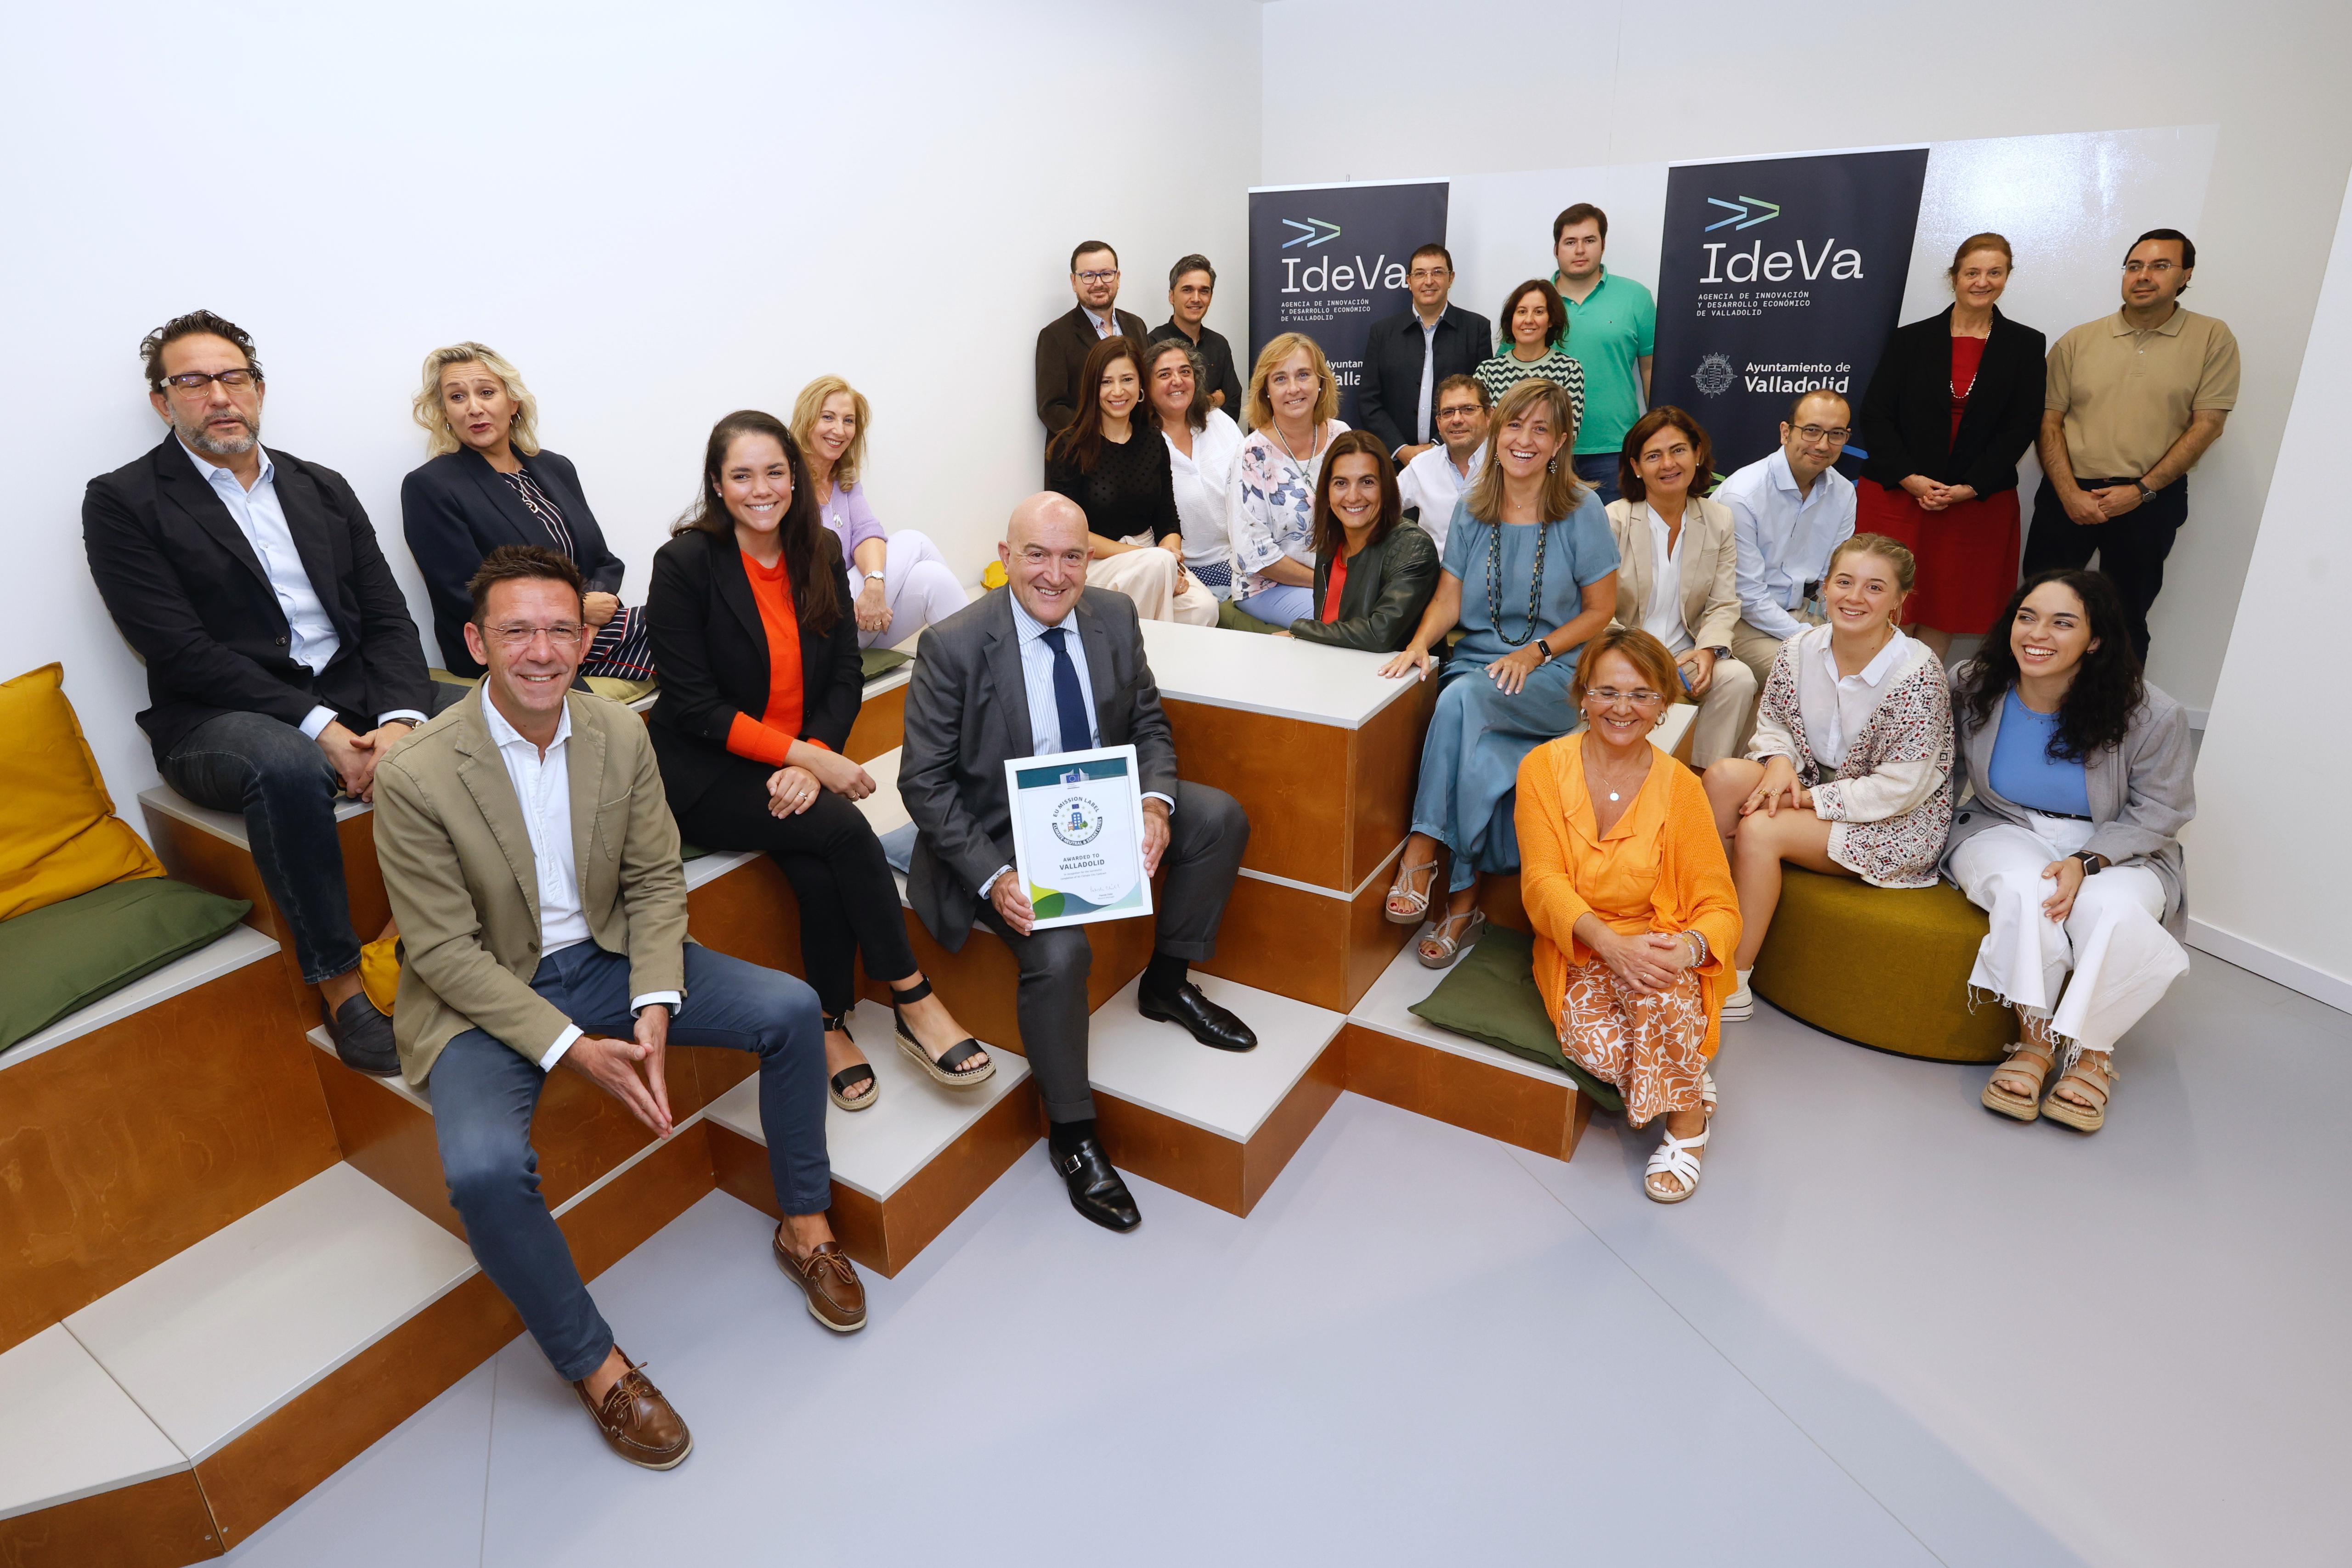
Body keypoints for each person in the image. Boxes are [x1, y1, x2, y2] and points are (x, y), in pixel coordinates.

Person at [373, 544, 849, 1472]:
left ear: (585, 640)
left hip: (608, 956)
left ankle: (806, 1225)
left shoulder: (620, 732)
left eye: (562, 629)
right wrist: (572, 1047)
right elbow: (442, 952)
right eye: (517, 631)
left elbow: (655, 879)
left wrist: (655, 996)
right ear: (475, 642)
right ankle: (596, 1365)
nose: (543, 650)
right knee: (482, 1171)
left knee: (792, 1010)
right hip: (484, 993)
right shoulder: (416, 772)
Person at [83, 310, 458, 1077]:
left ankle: (451, 934)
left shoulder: (320, 485)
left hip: (356, 693)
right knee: (288, 764)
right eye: (194, 382)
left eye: (234, 377)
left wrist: (397, 721)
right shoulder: (123, 500)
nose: (219, 396)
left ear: (259, 388)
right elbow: (178, 649)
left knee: (504, 710)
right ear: (162, 401)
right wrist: (320, 727)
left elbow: (388, 617)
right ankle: (343, 989)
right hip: (220, 716)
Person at [898, 494, 1259, 1233]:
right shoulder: (953, 644)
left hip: (1097, 805)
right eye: (1036, 555)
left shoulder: (1114, 616)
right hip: (998, 833)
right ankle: (1073, 1132)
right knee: (1062, 951)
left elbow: (1149, 723)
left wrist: (1153, 802)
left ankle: (1166, 983)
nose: (1055, 575)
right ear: (1006, 556)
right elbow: (924, 784)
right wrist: (995, 876)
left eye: (1072, 557)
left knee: (1219, 817)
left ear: (1090, 561)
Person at [646, 410, 991, 1111]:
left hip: (797, 758)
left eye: (775, 472)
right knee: (842, 831)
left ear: (796, 478)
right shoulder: (685, 565)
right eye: (742, 475)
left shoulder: (821, 550)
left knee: (817, 868)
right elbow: (694, 706)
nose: (762, 489)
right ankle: (913, 997)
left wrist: (815, 760)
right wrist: (807, 757)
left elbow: (843, 674)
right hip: (708, 769)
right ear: (717, 483)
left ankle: (829, 1023)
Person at [1380, 380, 1621, 967]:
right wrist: (1418, 645)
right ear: (1496, 430)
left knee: (1461, 702)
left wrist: (1536, 652)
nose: (1524, 439)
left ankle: (1421, 849)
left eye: (1541, 429)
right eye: (1515, 425)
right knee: (1480, 748)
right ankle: (1462, 905)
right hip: (1479, 663)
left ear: (1559, 442)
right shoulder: (1472, 506)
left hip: (1555, 671)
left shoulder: (1582, 509)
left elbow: (1600, 611)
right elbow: (1448, 598)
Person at [1946, 569, 2193, 1133]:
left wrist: (2086, 862)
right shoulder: (1970, 683)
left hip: (2114, 844)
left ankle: (2091, 1052)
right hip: (2003, 823)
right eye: (2026, 617)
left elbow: (2162, 810)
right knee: (2024, 890)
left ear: (2095, 639)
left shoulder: (2151, 714)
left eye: (2062, 623)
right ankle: (2033, 1043)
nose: (2037, 634)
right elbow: (1944, 769)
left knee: (2114, 911)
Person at [1516, 627, 1741, 1202]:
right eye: (1607, 692)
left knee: (1659, 985)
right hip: (1580, 944)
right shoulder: (1542, 768)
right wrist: (1610, 945)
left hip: (1659, 940)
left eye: (1641, 695)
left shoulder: (1681, 788)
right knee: (1601, 1051)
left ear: (1663, 704)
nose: (1622, 708)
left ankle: (1686, 1126)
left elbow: (1719, 904)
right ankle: (1687, 1073)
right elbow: (1542, 882)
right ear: (1583, 696)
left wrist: (1685, 949)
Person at [1702, 535, 1955, 1020]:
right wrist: (1779, 762)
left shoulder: (1918, 675)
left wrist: (1801, 800)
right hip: (1813, 782)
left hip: (1893, 821)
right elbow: (1775, 722)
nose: (1854, 597)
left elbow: (1899, 788)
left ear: (1899, 600)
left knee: (1760, 828)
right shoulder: (1799, 648)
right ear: (1825, 586)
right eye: (1844, 582)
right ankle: (1704, 929)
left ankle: (1731, 982)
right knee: (1722, 778)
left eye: (1874, 587)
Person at [2023, 229, 2238, 662]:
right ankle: (2029, 700)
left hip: (2150, 501)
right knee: (2038, 609)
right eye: (2135, 266)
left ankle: (2111, 707)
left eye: (2160, 266)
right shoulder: (2078, 340)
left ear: (2186, 275)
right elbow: (2048, 421)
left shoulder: (2212, 338)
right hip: (2068, 497)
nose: (2143, 276)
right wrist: (2069, 493)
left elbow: (2208, 426)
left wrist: (2141, 491)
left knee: (2123, 621)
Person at [401, 343, 652, 686]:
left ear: (513, 402)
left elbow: (603, 561)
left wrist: (593, 613)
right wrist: (577, 612)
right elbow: (463, 593)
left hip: (593, 630)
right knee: (684, 627)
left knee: (695, 620)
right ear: (445, 412)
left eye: (486, 392)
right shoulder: (430, 485)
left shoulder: (556, 467)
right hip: (511, 644)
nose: (474, 408)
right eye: (457, 397)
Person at [1853, 234, 2047, 660]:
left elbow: (2021, 426)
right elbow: (1875, 415)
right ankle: (1873, 693)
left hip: (1975, 504)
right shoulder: (1910, 340)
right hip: (1900, 496)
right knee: (1887, 602)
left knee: (1948, 606)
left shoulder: (2027, 345)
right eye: (1972, 272)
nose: (1983, 281)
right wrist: (1911, 479)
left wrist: (1971, 487)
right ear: (1955, 277)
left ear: (2007, 277)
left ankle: (1923, 693)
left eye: (1995, 272)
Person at [1604, 407, 1755, 767]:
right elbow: (1598, 611)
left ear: (1698, 454)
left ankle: (1702, 778)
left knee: (1738, 679)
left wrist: (1708, 652)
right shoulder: (1613, 519)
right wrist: (1644, 659)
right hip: (1626, 653)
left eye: (1679, 450)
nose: (1669, 464)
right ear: (1636, 467)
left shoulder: (1719, 519)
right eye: (1654, 456)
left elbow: (1723, 603)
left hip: (1686, 655)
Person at [1046, 336, 1219, 625]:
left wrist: (1170, 561)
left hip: (1153, 557)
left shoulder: (1153, 440)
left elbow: (1167, 518)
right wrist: (1155, 562)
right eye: (1106, 382)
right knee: (1153, 571)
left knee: (1204, 608)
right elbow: (1070, 533)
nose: (1118, 391)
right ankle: (1135, 654)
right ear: (1093, 388)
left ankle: (1144, 645)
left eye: (1127, 379)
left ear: (1140, 385)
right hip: (1094, 562)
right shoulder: (1070, 446)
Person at [791, 376, 969, 649]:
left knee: (934, 578)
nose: (839, 430)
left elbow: (867, 533)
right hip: (817, 621)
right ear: (807, 421)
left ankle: (981, 665)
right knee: (915, 541)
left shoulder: (844, 482)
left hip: (855, 618)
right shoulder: (787, 482)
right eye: (828, 417)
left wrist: (874, 587)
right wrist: (874, 584)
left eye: (848, 421)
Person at [1722, 388, 1859, 693]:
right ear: (1786, 433)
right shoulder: (1742, 496)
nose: (1823, 445)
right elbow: (1749, 599)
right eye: (1812, 431)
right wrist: (1814, 640)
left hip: (1805, 615)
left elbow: (1833, 578)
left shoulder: (1843, 492)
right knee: (1815, 677)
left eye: (1836, 434)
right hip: (1742, 623)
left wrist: (1838, 631)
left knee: (1878, 662)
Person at [1227, 333, 1351, 626]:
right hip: (1268, 587)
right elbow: (1255, 556)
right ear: (1266, 391)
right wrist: (1329, 582)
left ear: (1321, 382)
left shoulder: (1342, 437)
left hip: (1341, 578)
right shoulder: (1251, 455)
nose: (1294, 388)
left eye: (1303, 375)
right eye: (1280, 379)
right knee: (1347, 618)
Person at [1277, 429, 1439, 652]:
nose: (1353, 497)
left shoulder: (1413, 547)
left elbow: (1379, 635)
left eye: (1367, 482)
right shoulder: (1331, 543)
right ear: (1327, 491)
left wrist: (1299, 630)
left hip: (1392, 672)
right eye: (1341, 483)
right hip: (1335, 664)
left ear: (1386, 488)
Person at [1550, 204, 1657, 505]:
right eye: (1570, 242)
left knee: (1614, 533)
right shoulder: (1534, 301)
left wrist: (1658, 434)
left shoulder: (1635, 297)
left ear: (1603, 244)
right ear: (1556, 249)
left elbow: (1650, 369)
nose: (1580, 250)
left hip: (1615, 449)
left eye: (1589, 240)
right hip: (1545, 448)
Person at [1357, 244, 1495, 466]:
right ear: (1409, 281)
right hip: (1394, 464)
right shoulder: (1383, 333)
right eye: (1420, 274)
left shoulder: (1476, 329)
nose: (1429, 281)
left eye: (1437, 272)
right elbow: (1369, 400)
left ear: (1451, 278)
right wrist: (1401, 450)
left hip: (1456, 457)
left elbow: (1481, 399)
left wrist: (1436, 446)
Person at [1146, 336, 1244, 600]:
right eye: (1164, 375)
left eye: (1185, 372)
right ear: (1146, 386)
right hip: (1181, 575)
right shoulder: (1142, 441)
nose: (1177, 381)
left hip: (1243, 563)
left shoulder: (1220, 422)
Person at [1036, 240, 1149, 438]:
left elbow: (1144, 386)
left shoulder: (1136, 325)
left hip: (1136, 444)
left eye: (1106, 274)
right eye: (1088, 276)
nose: (1098, 283)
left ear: (1118, 278)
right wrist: (1101, 439)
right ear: (1074, 282)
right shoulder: (1055, 336)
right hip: (1085, 450)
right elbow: (1052, 408)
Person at [1395, 374, 1489, 553]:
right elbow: (1380, 509)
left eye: (1468, 409)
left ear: (1489, 416)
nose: (1457, 419)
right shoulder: (1421, 467)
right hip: (1435, 569)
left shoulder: (1507, 463)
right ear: (1439, 423)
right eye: (1448, 412)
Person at [1473, 279, 1587, 428]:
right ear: (1511, 318)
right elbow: (1478, 428)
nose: (1528, 320)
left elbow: (1569, 431)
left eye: (1539, 312)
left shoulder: (1569, 370)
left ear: (1551, 320)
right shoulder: (1488, 371)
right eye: (1522, 312)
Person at [1146, 254, 1244, 416]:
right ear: (1172, 296)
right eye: (1188, 290)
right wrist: (1214, 400)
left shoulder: (1219, 344)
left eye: (1204, 291)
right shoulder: (1153, 343)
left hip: (1217, 433)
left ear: (1211, 297)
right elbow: (1155, 405)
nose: (1196, 299)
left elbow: (1233, 402)